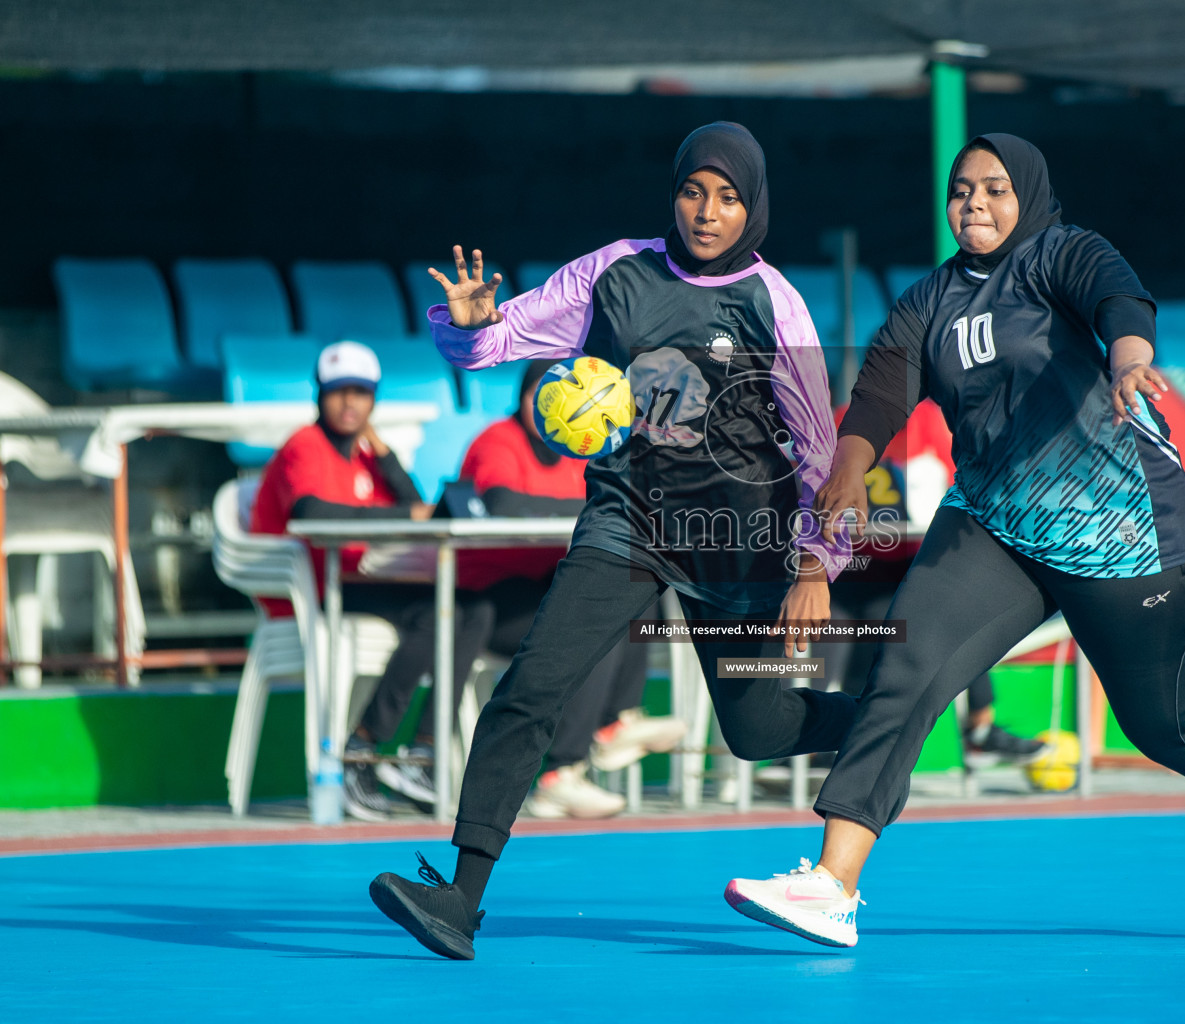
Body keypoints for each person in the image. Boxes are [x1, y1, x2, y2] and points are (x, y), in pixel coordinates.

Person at [723, 134, 1185, 948]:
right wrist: (851, 468)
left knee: (1163, 725)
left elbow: (1120, 301)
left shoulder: (1060, 257)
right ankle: (832, 884)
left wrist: (1129, 361)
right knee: (907, 669)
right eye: (961, 191)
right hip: (995, 526)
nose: (975, 205)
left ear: (1027, 194)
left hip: (1125, 535)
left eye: (994, 189)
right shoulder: (927, 302)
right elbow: (877, 399)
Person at [369, 121, 860, 960]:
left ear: (755, 208)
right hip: (625, 520)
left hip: (737, 537)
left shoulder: (775, 302)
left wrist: (819, 560)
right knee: (534, 683)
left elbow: (822, 449)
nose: (707, 212)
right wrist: (465, 327)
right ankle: (461, 894)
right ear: (673, 194)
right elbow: (498, 339)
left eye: (730, 197)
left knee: (759, 730)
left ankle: (887, 715)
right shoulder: (614, 271)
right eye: (694, 192)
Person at [249, 341, 496, 821]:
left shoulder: (365, 455)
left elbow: (417, 505)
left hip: (359, 579)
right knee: (436, 616)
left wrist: (382, 452)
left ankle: (421, 756)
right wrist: (403, 511)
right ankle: (360, 752)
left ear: (373, 401)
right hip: (313, 588)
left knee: (470, 608)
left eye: (361, 393)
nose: (349, 403)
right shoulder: (305, 444)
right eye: (339, 392)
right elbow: (310, 511)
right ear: (320, 396)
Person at [457, 358, 686, 819]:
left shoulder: (581, 444)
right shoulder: (497, 440)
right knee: (590, 623)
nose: (561, 408)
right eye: (540, 398)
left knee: (629, 584)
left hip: (542, 583)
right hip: (491, 600)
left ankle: (615, 723)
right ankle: (558, 774)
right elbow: (501, 502)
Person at [823, 398, 1044, 769]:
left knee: (953, 613)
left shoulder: (930, 418)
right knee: (825, 652)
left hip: (903, 569)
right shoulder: (848, 420)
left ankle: (980, 728)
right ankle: (807, 749)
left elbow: (952, 487)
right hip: (847, 574)